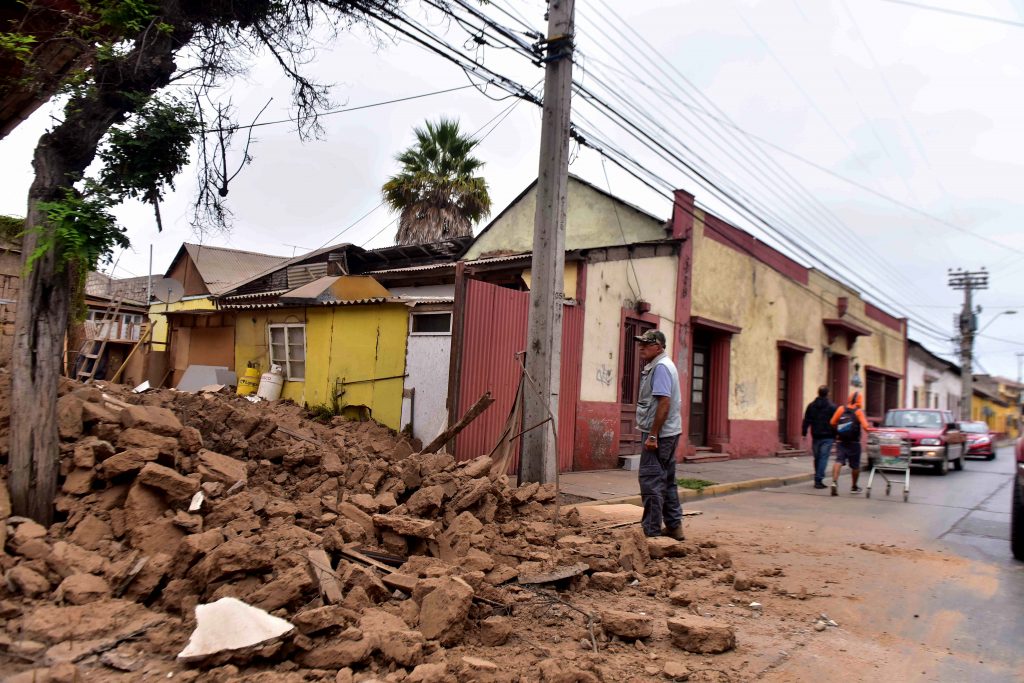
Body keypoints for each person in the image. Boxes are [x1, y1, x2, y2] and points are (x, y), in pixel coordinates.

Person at [634, 329, 684, 539]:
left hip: (660, 435)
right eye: (640, 344)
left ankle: (651, 533)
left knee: (651, 480)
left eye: (646, 344)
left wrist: (653, 435)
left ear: (659, 347)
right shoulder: (662, 365)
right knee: (666, 480)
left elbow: (664, 402)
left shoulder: (661, 368)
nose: (641, 347)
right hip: (669, 432)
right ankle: (674, 527)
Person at [829, 391, 871, 496]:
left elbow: (832, 422)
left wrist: (840, 430)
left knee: (839, 460)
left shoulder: (841, 409)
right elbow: (866, 427)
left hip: (841, 440)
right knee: (855, 466)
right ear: (860, 401)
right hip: (854, 442)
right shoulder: (859, 412)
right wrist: (871, 431)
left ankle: (834, 482)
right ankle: (854, 487)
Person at [802, 385, 836, 489]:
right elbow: (835, 422)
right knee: (823, 458)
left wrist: (804, 432)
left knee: (817, 458)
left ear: (818, 393)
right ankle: (818, 479)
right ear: (828, 393)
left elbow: (806, 420)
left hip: (815, 435)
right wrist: (837, 435)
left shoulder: (811, 406)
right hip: (828, 436)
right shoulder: (832, 407)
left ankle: (817, 477)